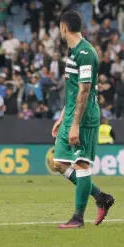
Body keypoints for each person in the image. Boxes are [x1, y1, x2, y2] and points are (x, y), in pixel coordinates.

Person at [51, 11, 115, 229]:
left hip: (84, 117)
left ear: (63, 27)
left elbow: (85, 90)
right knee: (58, 163)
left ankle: (78, 218)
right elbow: (73, 91)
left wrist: (75, 123)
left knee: (81, 164)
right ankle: (101, 197)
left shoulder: (86, 52)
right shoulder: (73, 51)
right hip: (70, 114)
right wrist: (63, 116)